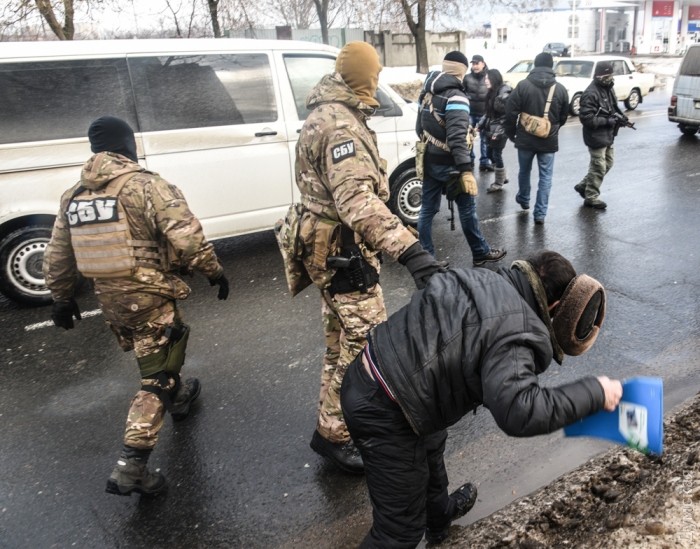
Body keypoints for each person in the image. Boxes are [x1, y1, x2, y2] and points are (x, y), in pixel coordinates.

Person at [341, 250, 622, 548]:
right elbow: (520, 411)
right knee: (398, 532)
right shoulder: (516, 332)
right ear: (554, 307)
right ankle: (416, 526)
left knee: (431, 445)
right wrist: (595, 393)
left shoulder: (486, 278)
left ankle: (439, 519)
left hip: (372, 374)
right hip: (386, 409)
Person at [43, 116, 229, 497]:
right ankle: (132, 465)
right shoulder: (147, 186)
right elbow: (187, 237)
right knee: (156, 374)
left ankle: (178, 397)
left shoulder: (74, 196)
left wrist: (61, 298)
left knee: (161, 348)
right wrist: (213, 271)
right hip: (148, 295)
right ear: (128, 145)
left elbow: (59, 253)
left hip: (111, 300)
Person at [295, 41, 444, 474]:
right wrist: (412, 253)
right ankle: (334, 433)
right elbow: (357, 200)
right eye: (374, 76)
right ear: (364, 78)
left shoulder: (328, 112)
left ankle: (333, 422)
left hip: (325, 249)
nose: (377, 84)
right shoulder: (341, 125)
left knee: (339, 342)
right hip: (342, 255)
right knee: (365, 342)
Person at [416, 51, 506, 267]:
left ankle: (426, 259)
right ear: (461, 70)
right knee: (467, 209)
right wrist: (465, 169)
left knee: (427, 210)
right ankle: (480, 252)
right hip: (452, 166)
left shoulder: (427, 91)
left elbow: (420, 128)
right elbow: (457, 137)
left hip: (429, 159)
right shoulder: (456, 96)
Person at [504, 52, 569, 225]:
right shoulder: (560, 89)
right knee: (546, 177)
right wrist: (551, 129)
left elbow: (510, 112)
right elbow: (563, 116)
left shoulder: (523, 86)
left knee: (524, 171)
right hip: (548, 140)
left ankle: (524, 199)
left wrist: (512, 134)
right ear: (551, 67)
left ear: (535, 65)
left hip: (525, 138)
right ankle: (540, 214)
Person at [574, 61, 627, 210]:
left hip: (608, 134)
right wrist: (608, 121)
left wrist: (621, 118)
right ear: (598, 75)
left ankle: (583, 185)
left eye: (610, 75)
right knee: (599, 166)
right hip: (596, 136)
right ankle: (591, 197)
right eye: (606, 75)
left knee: (608, 163)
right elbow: (587, 119)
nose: (609, 78)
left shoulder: (608, 88)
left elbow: (614, 108)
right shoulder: (591, 93)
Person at [478, 68, 513, 193]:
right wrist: (479, 125)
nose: (485, 81)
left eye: (488, 78)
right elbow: (488, 113)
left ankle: (499, 182)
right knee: (489, 154)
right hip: (491, 129)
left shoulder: (504, 93)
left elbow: (506, 117)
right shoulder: (491, 92)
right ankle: (503, 175)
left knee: (496, 154)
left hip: (500, 130)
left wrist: (498, 133)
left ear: (494, 79)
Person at [463, 54, 492, 171]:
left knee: (484, 139)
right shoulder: (467, 78)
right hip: (470, 112)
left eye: (477, 63)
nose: (475, 66)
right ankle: (470, 159)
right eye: (473, 64)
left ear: (483, 64)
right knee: (469, 137)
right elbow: (462, 92)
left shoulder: (489, 77)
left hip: (484, 113)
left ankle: (484, 161)